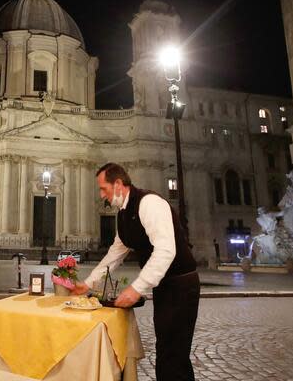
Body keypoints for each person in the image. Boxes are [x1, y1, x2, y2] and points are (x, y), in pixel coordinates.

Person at [71, 163, 200, 381]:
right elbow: (115, 254)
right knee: (167, 349)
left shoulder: (149, 203)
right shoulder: (123, 214)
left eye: (104, 188)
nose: (102, 195)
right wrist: (89, 283)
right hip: (165, 287)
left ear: (119, 184)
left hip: (181, 285)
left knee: (174, 352)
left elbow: (166, 251)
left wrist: (136, 288)